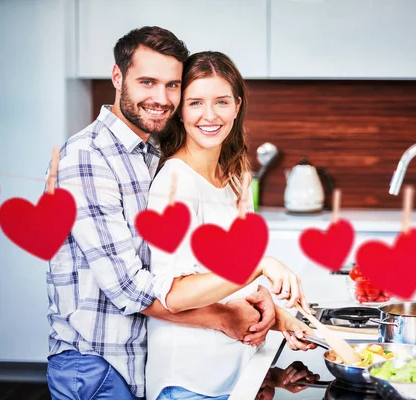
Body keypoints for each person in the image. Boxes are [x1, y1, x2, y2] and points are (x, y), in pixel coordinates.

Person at [46, 27, 292, 400]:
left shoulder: (152, 148)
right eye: (147, 82)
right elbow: (128, 288)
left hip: (139, 356)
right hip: (96, 360)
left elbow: (181, 265)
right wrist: (228, 314)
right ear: (118, 77)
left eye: (172, 85)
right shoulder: (87, 157)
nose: (160, 98)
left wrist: (262, 309)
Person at [145, 51, 316, 400]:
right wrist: (257, 266)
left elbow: (228, 283)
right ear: (180, 110)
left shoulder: (237, 174)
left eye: (221, 101)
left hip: (237, 372)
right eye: (195, 103)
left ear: (237, 106)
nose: (210, 116)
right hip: (189, 383)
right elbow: (172, 296)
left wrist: (283, 320)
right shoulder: (175, 182)